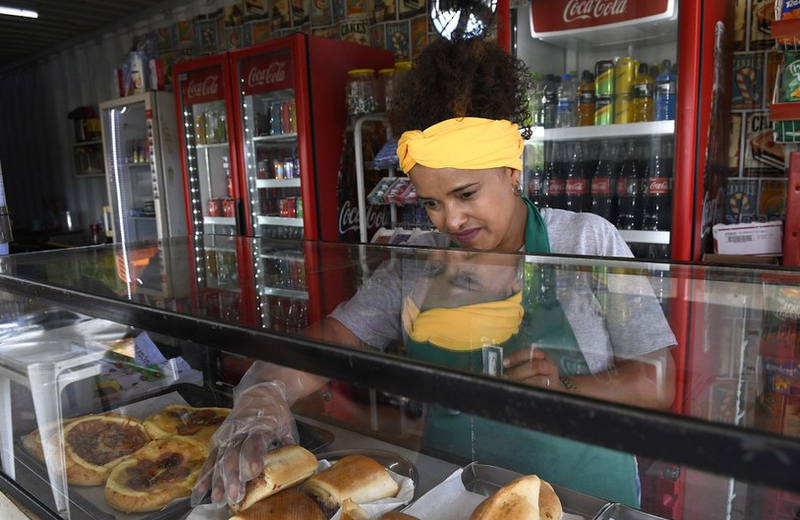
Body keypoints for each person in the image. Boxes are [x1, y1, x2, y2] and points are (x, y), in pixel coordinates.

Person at [191, 36, 677, 510]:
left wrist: (567, 389)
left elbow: (658, 381)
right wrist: (264, 393)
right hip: (454, 496)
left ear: (512, 170)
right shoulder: (419, 262)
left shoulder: (586, 243)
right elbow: (326, 346)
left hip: (581, 500)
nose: (450, 221)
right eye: (431, 203)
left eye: (466, 194)